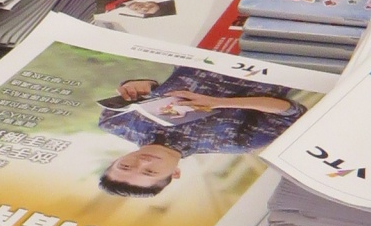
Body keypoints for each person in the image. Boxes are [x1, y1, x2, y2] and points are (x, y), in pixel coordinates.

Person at [96, 65, 306, 194]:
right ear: (175, 173)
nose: (142, 162)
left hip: (208, 48)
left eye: (125, 166)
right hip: (272, 63)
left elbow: (150, 87)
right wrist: (219, 103)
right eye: (150, 171)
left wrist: (139, 85)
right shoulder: (235, 143)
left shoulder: (115, 122)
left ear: (117, 159)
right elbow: (291, 112)